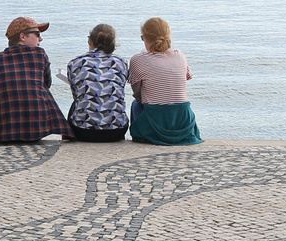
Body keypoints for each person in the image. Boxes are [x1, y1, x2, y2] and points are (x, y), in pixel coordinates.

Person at [0, 16, 73, 143]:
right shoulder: (40, 54)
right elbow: (46, 84)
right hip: (36, 129)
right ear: (23, 37)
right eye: (37, 34)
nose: (40, 39)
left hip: (2, 130)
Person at [127, 17, 203, 145]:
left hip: (156, 121)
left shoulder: (138, 59)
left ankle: (140, 135)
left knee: (136, 104)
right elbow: (185, 79)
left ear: (146, 38)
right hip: (183, 120)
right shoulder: (180, 56)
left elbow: (137, 93)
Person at [64, 23, 129, 142]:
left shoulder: (75, 62)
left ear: (90, 41)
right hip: (117, 130)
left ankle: (68, 137)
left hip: (83, 131)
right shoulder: (121, 62)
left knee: (76, 102)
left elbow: (76, 95)